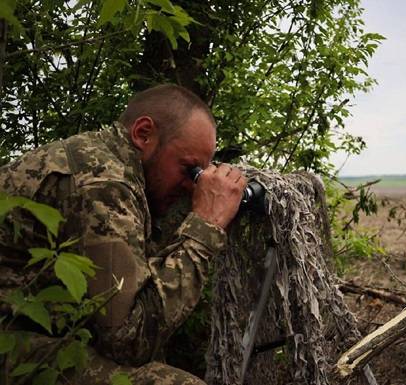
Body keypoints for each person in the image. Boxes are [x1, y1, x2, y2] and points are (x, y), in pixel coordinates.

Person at [0, 84, 246, 384]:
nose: (192, 185)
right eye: (189, 169)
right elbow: (129, 338)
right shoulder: (103, 181)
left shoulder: (107, 161)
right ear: (143, 134)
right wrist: (206, 225)